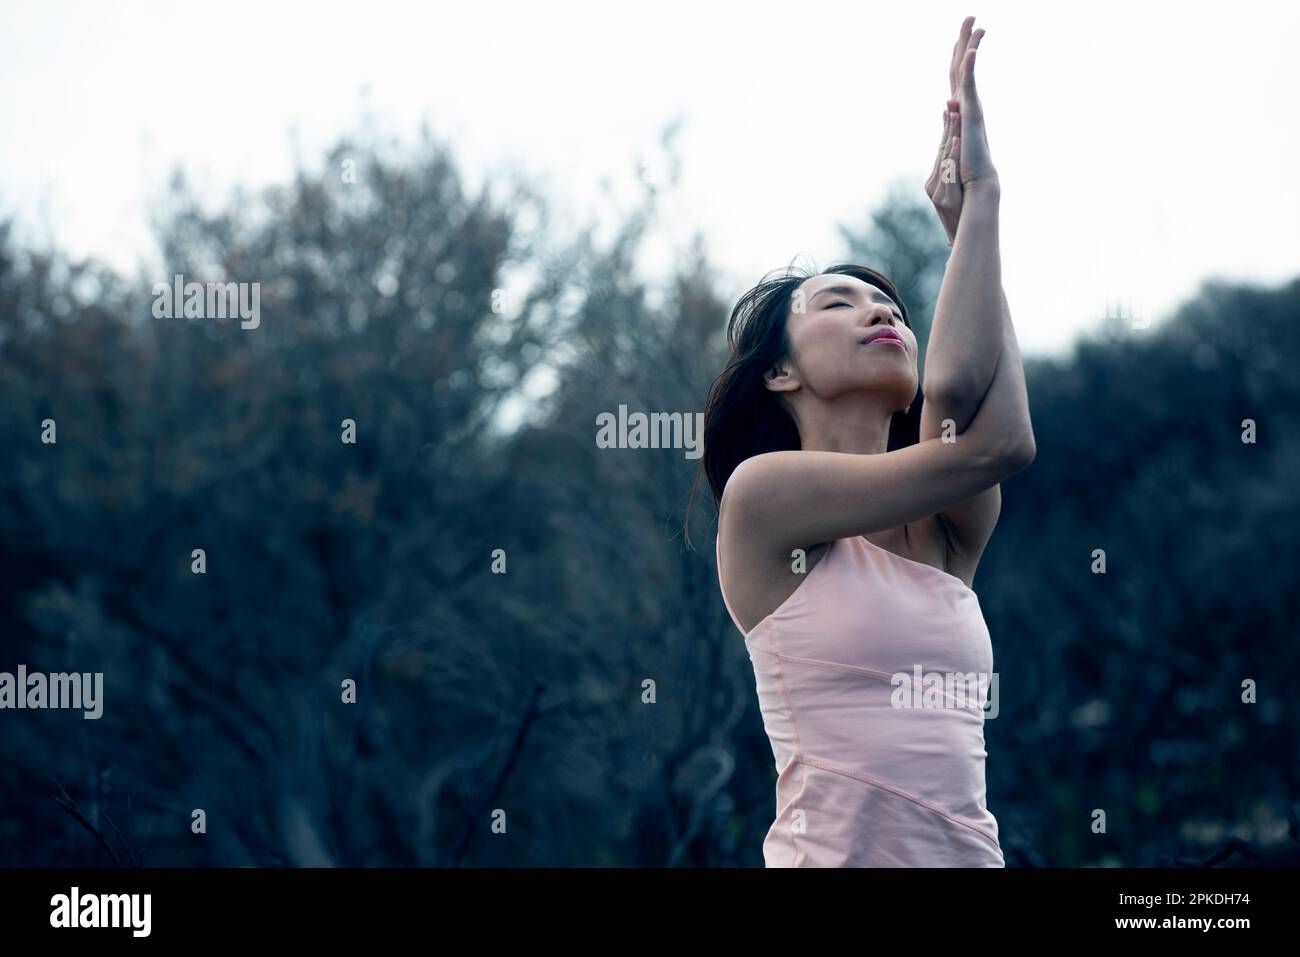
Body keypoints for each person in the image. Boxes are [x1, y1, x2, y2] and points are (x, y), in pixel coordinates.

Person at [702, 16, 1036, 866]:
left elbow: (965, 398)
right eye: (837, 303)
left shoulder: (944, 533)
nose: (881, 311)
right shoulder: (765, 501)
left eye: (890, 304)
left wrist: (968, 224)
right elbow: (996, 443)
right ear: (779, 373)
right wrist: (983, 207)